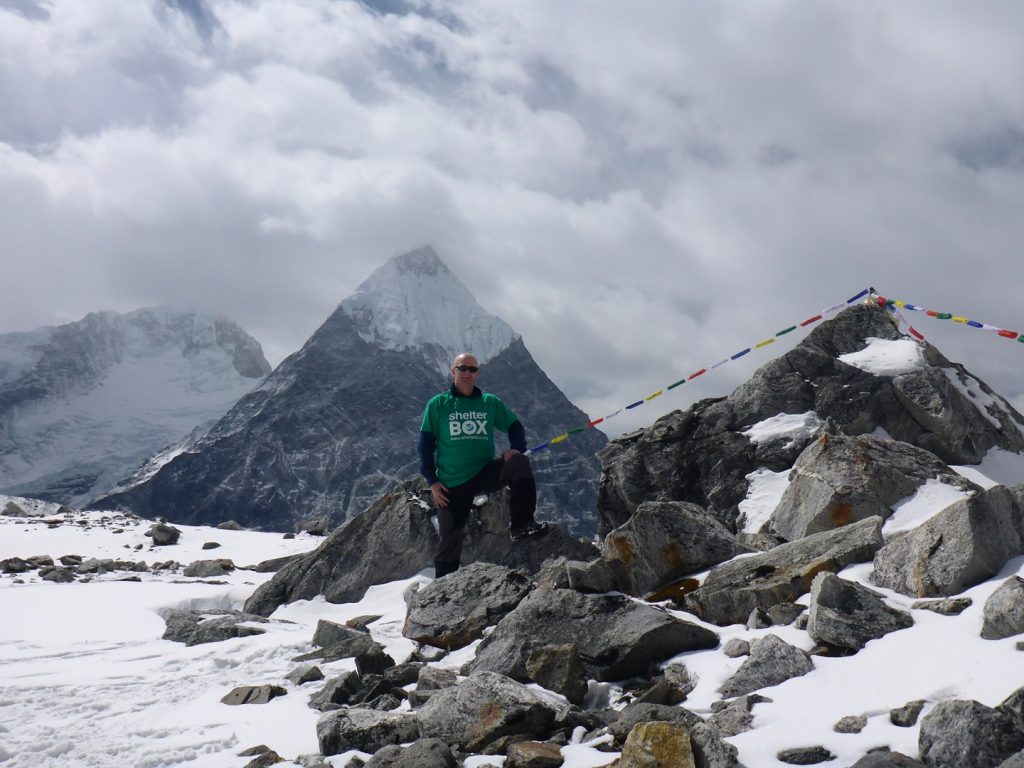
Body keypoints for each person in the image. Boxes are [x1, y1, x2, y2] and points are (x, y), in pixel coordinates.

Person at [418, 352, 548, 578]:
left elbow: (515, 426)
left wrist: (516, 447)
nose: (467, 373)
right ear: (453, 372)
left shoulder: (489, 402)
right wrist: (433, 481)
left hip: (484, 473)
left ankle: (521, 524)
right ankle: (442, 592)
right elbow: (425, 445)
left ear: (478, 373)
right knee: (450, 539)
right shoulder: (438, 404)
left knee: (519, 463)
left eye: (472, 369)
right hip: (452, 482)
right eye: (462, 368)